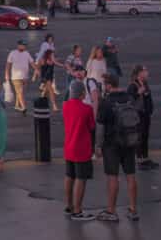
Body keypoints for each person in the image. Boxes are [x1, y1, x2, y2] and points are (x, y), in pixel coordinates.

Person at [95, 74, 139, 222]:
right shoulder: (130, 99)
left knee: (113, 177)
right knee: (131, 175)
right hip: (129, 141)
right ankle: (133, 209)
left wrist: (98, 145)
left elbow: (100, 127)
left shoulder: (106, 103)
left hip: (111, 144)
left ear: (108, 85)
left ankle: (111, 210)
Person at [62, 80, 96, 221]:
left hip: (68, 147)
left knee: (69, 176)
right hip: (81, 148)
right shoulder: (87, 109)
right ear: (82, 93)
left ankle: (69, 205)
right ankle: (78, 210)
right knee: (80, 179)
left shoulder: (65, 106)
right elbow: (92, 127)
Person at [127, 65, 157, 170]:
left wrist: (150, 110)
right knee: (139, 137)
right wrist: (137, 93)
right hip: (138, 115)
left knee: (145, 136)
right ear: (139, 73)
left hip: (145, 114)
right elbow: (129, 100)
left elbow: (148, 97)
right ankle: (139, 160)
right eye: (145, 71)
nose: (147, 73)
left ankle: (145, 158)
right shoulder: (133, 85)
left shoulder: (145, 84)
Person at [5, 39, 35, 114]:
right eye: (23, 45)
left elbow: (32, 63)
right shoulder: (12, 53)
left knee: (21, 92)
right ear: (18, 45)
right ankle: (23, 107)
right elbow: (8, 65)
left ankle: (17, 105)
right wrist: (7, 75)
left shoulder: (27, 53)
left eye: (25, 45)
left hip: (25, 77)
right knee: (20, 92)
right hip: (16, 77)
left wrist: (37, 70)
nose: (24, 47)